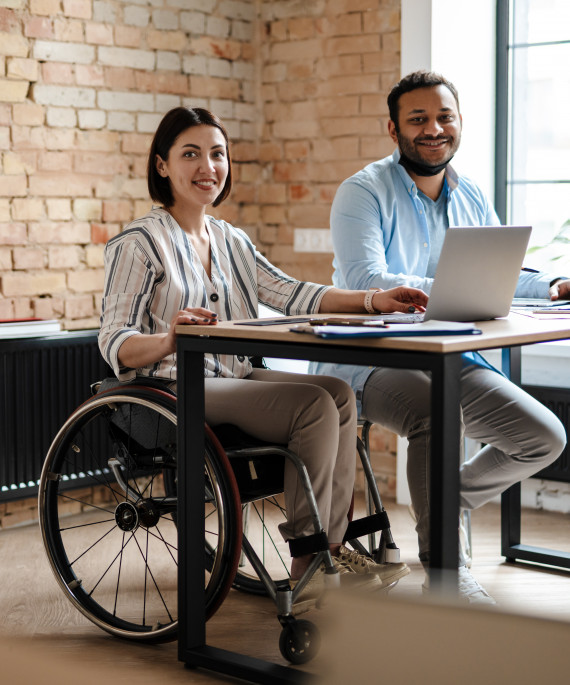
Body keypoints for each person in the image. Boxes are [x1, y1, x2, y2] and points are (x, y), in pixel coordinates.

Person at [98, 106, 428, 605]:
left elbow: (293, 293)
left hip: (234, 376)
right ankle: (307, 557)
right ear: (162, 165)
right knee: (310, 405)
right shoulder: (139, 243)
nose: (207, 166)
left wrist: (371, 300)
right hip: (170, 387)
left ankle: (331, 548)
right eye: (191, 154)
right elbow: (113, 339)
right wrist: (170, 338)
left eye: (217, 154)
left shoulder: (231, 240)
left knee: (336, 393)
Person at [311, 70, 569, 604]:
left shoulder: (471, 193)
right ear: (393, 128)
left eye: (444, 116)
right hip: (366, 358)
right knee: (438, 412)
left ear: (458, 123)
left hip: (451, 356)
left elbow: (502, 271)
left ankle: (444, 504)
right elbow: (365, 279)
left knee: (543, 437)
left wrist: (553, 285)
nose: (434, 128)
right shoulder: (362, 191)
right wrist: (453, 286)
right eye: (418, 118)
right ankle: (448, 577)